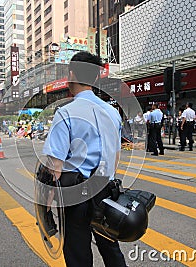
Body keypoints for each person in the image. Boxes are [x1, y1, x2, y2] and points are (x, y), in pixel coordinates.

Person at [42, 51, 126, 266]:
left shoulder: (65, 112)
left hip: (75, 193)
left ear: (71, 74)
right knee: (110, 247)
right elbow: (116, 154)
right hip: (106, 190)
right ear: (96, 77)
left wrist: (47, 202)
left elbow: (55, 166)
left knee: (78, 251)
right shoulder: (112, 112)